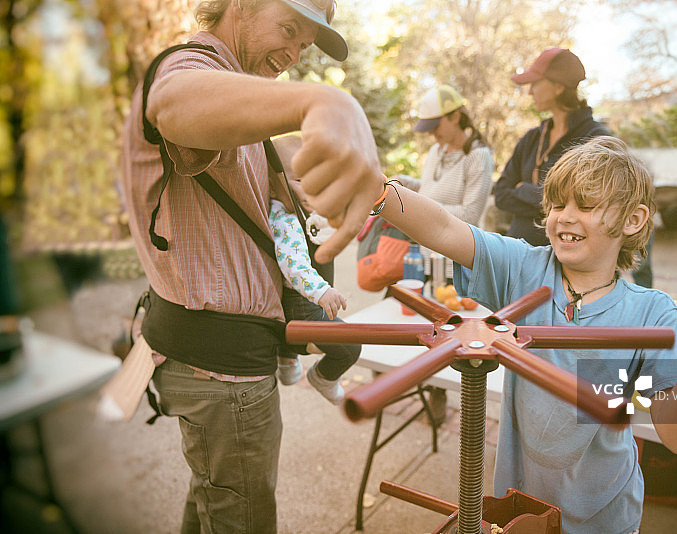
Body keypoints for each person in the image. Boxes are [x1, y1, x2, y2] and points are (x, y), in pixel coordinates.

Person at [353, 136, 677, 533]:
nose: (564, 216)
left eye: (586, 205)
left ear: (633, 220)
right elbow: (444, 227)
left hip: (604, 518)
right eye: (558, 204)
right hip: (520, 505)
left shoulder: (651, 313)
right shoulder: (523, 269)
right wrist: (379, 189)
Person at [119, 1, 382, 532]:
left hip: (225, 365)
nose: (293, 54)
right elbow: (173, 101)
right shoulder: (191, 68)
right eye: (288, 28)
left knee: (214, 502)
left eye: (304, 45)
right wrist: (326, 102)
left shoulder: (239, 97)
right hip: (223, 375)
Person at [268, 137, 360, 405]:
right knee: (350, 346)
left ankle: (287, 361)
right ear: (273, 185)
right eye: (299, 180)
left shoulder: (297, 210)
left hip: (299, 307)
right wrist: (321, 291)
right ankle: (323, 377)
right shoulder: (286, 220)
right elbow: (292, 264)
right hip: (302, 311)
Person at [493, 48, 611, 247]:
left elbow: (585, 204)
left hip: (564, 257)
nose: (530, 91)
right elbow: (501, 195)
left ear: (558, 87)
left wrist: (524, 190)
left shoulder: (595, 139)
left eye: (535, 83)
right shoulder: (531, 138)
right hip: (517, 253)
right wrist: (553, 202)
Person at [392, 84, 494, 286]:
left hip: (455, 266)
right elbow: (431, 189)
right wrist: (405, 182)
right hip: (425, 258)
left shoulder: (478, 157)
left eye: (435, 126)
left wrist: (418, 206)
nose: (431, 133)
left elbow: (470, 215)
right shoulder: (435, 151)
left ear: (455, 117)